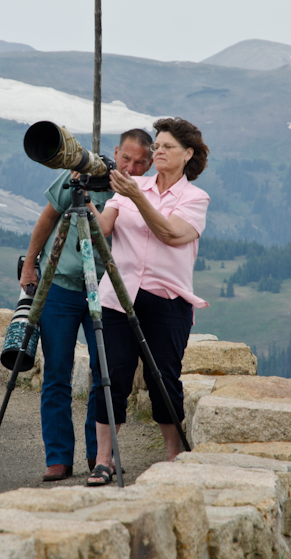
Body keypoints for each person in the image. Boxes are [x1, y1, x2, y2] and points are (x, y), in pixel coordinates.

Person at [20, 128, 153, 482]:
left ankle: (101, 456)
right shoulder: (79, 176)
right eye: (126, 159)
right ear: (115, 152)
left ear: (150, 164)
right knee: (57, 374)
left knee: (104, 373)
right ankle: (58, 458)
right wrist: (31, 264)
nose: (131, 167)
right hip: (61, 285)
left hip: (106, 290)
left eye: (141, 162)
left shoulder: (140, 193)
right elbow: (48, 218)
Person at [85, 117, 210, 486]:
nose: (157, 152)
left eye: (166, 147)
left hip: (167, 300)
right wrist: (87, 202)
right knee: (110, 379)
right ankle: (104, 460)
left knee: (163, 380)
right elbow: (104, 229)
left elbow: (171, 234)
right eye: (156, 146)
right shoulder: (130, 186)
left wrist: (137, 196)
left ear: (187, 154)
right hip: (117, 297)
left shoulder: (194, 198)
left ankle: (174, 454)